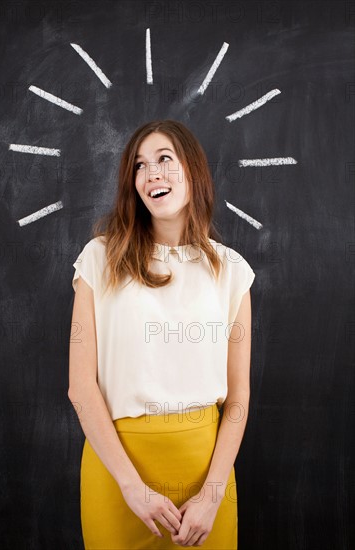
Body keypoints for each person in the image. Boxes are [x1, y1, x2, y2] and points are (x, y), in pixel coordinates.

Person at [68, 119, 256, 549]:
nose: (151, 173)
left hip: (205, 478)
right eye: (139, 165)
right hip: (118, 477)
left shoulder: (232, 271)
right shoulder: (99, 259)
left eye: (164, 160)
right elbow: (81, 388)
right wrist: (132, 488)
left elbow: (238, 398)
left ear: (193, 171)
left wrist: (211, 496)